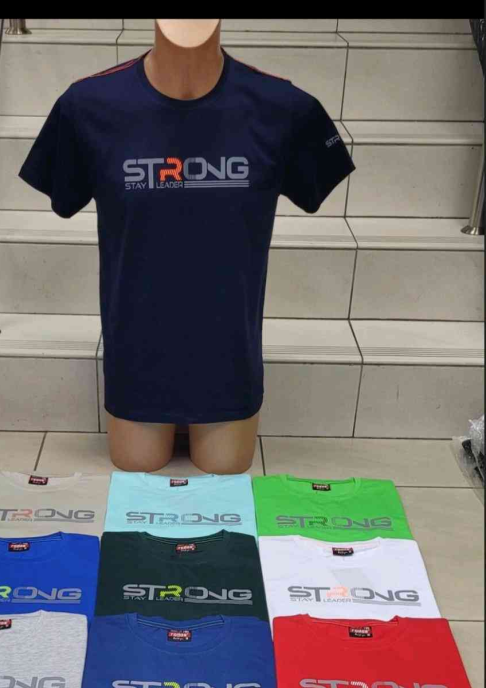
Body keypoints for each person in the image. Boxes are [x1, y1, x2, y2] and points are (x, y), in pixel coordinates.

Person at [19, 18, 354, 473]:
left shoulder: (283, 109)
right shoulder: (88, 106)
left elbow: (315, 181)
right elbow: (64, 196)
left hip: (229, 367)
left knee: (225, 468)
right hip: (136, 365)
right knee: (137, 465)